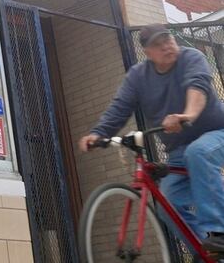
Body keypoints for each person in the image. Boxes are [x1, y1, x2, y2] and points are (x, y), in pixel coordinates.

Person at [78, 24, 224, 253]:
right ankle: (205, 254)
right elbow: (120, 107)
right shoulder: (138, 76)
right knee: (168, 203)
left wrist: (188, 115)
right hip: (179, 149)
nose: (166, 46)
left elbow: (198, 87)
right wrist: (99, 134)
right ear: (147, 52)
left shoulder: (191, 57)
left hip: (217, 132)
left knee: (198, 152)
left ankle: (219, 234)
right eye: (158, 44)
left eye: (167, 39)